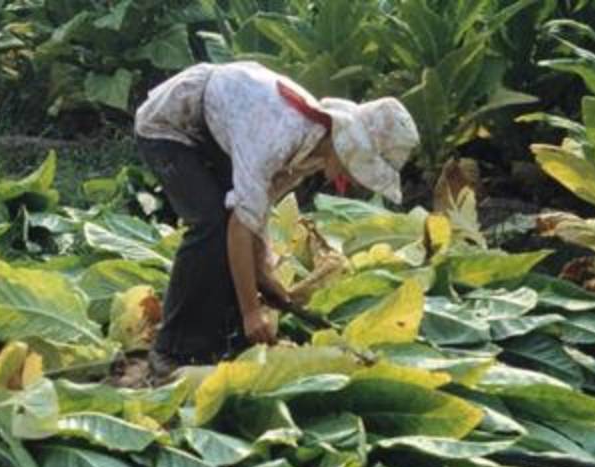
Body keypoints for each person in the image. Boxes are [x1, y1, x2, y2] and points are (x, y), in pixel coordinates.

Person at [134, 61, 420, 375]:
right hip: (170, 124)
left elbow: (256, 212)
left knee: (231, 237)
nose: (355, 180)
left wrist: (264, 277)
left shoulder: (310, 150)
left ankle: (223, 341)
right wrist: (251, 312)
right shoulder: (279, 138)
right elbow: (239, 228)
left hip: (218, 125)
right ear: (348, 147)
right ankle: (172, 348)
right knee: (211, 225)